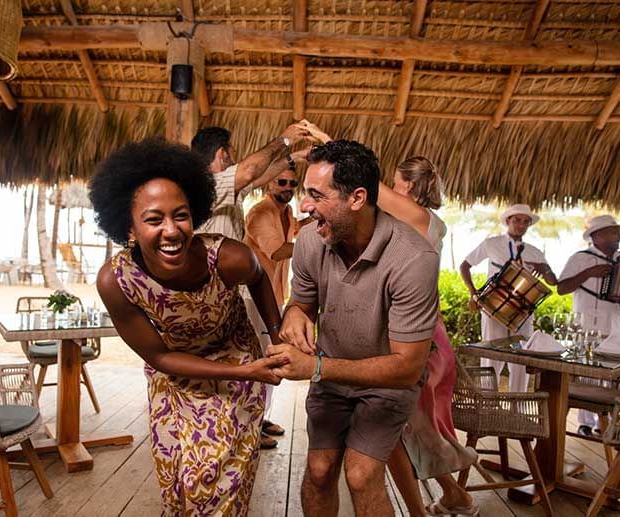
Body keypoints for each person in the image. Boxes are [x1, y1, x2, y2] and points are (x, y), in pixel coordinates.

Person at [90, 138, 288, 515]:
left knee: (216, 484)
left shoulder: (227, 258)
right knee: (180, 486)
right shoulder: (116, 282)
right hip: (174, 376)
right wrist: (249, 370)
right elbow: (160, 355)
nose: (171, 230)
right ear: (129, 227)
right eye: (153, 219)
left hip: (237, 369)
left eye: (180, 215)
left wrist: (276, 339)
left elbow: (260, 277)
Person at [267, 140, 440, 517]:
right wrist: (295, 312)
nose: (304, 206)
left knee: (361, 474)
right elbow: (302, 302)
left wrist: (314, 368)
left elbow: (407, 367)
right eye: (303, 193)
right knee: (319, 469)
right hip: (332, 376)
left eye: (316, 195)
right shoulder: (312, 240)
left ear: (358, 198)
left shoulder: (413, 259)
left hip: (388, 381)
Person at [191, 124, 313, 448]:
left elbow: (257, 177)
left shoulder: (227, 194)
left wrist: (293, 155)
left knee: (243, 363)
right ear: (222, 154)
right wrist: (285, 138)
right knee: (231, 368)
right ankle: (231, 432)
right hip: (210, 299)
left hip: (230, 297)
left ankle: (243, 425)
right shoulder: (203, 186)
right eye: (230, 155)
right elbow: (248, 173)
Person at [377, 156, 477, 517]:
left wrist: (328, 144)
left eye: (395, 181)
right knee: (411, 428)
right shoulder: (419, 222)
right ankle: (453, 496)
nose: (391, 187)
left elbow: (369, 185)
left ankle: (439, 502)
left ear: (407, 186)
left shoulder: (419, 219)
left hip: (421, 337)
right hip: (427, 331)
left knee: (402, 428)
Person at [459, 204, 557, 392]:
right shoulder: (491, 243)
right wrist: (474, 293)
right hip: (494, 307)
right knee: (491, 354)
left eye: (525, 222)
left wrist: (544, 269)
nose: (521, 225)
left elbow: (553, 281)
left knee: (522, 356)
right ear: (508, 221)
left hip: (523, 311)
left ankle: (517, 405)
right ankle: (487, 403)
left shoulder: (535, 251)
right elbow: (464, 266)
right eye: (516, 220)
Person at [558, 214, 620, 437]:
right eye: (615, 232)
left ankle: (606, 424)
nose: (619, 235)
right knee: (585, 374)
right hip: (586, 324)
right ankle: (584, 423)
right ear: (598, 236)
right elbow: (562, 287)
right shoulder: (580, 258)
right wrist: (589, 273)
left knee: (611, 375)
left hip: (614, 326)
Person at [244, 167, 299, 310]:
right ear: (270, 183)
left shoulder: (288, 211)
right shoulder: (259, 213)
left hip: (276, 294)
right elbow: (277, 251)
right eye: (282, 182)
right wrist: (315, 248)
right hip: (254, 295)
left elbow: (294, 228)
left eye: (293, 183)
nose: (288, 187)